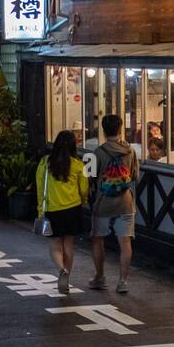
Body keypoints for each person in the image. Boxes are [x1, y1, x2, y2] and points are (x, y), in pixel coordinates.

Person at [90, 114, 141, 293]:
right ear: (120, 129)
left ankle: (100, 277)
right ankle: (123, 282)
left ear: (103, 130)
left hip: (103, 202)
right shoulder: (131, 151)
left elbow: (90, 177)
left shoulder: (97, 152)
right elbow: (135, 176)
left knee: (98, 239)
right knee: (125, 242)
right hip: (125, 202)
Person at [36, 131, 89, 294]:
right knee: (69, 245)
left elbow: (39, 186)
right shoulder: (79, 165)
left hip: (53, 210)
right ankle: (67, 278)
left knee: (54, 247)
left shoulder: (45, 163)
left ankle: (61, 270)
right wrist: (83, 200)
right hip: (73, 209)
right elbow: (84, 188)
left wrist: (40, 209)